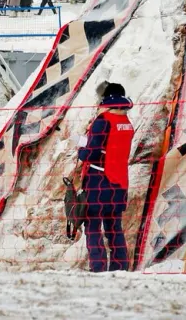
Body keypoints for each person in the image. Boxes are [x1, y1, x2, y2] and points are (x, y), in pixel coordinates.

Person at [75, 84, 135, 272]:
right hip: (120, 184)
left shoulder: (103, 121)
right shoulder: (127, 123)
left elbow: (91, 153)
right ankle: (120, 267)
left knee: (92, 225)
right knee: (114, 227)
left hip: (99, 182)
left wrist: (80, 150)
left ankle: (99, 268)